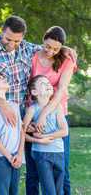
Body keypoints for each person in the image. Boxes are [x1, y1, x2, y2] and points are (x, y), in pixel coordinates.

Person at [0, 15, 77, 195]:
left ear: (23, 38)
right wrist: (2, 104)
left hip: (19, 119)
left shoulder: (27, 48)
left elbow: (48, 48)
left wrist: (64, 48)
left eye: (17, 41)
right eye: (8, 39)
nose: (12, 44)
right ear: (2, 31)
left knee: (15, 169)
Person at [25, 26, 77, 195]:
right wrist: (34, 119)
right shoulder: (33, 56)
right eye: (47, 46)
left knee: (62, 168)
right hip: (32, 112)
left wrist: (44, 115)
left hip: (56, 113)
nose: (51, 51)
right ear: (43, 40)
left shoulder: (67, 60)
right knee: (33, 169)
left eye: (56, 48)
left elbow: (61, 90)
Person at [23, 75, 68, 195]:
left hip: (58, 152)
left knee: (59, 190)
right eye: (43, 83)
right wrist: (37, 140)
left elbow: (65, 131)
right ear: (34, 92)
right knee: (49, 190)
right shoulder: (32, 109)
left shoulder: (58, 107)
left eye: (49, 83)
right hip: (41, 153)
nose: (48, 84)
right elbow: (22, 132)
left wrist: (43, 137)